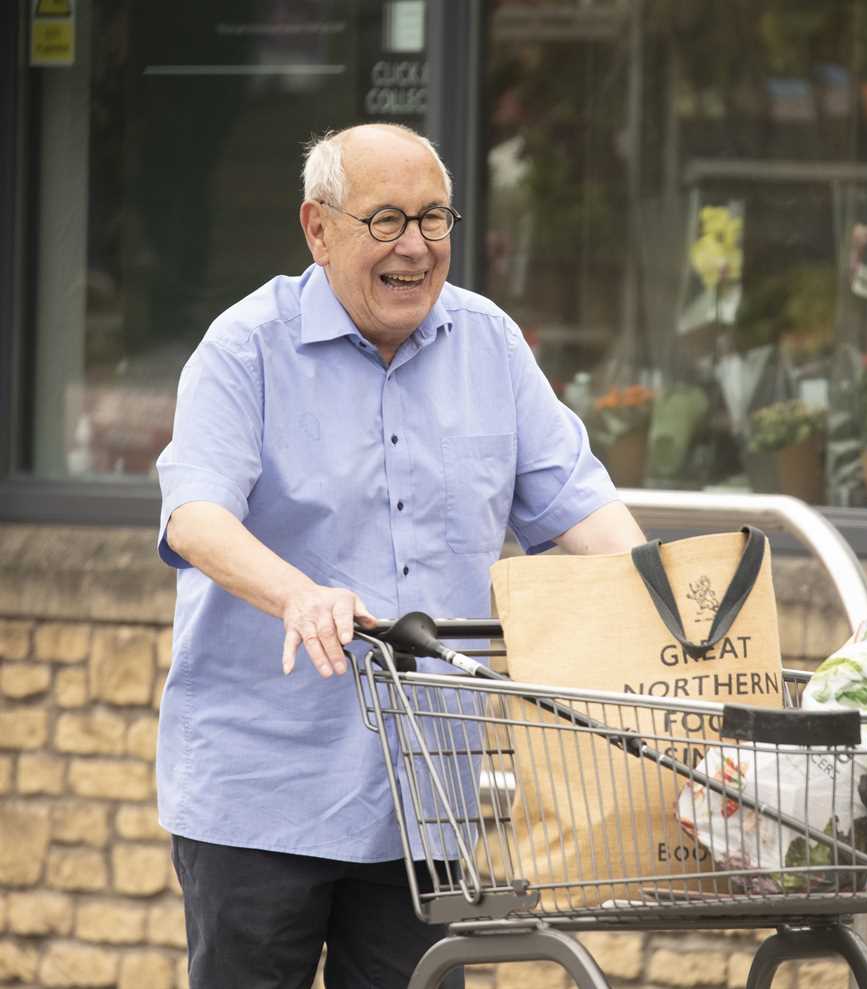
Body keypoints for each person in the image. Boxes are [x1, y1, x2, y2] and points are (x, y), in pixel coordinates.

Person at [155, 122, 647, 989]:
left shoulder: (490, 344)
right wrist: (300, 593)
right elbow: (196, 517)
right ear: (318, 228)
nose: (416, 247)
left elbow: (586, 512)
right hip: (262, 792)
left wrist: (683, 616)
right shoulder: (244, 349)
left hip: (427, 800)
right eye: (386, 220)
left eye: (434, 219)